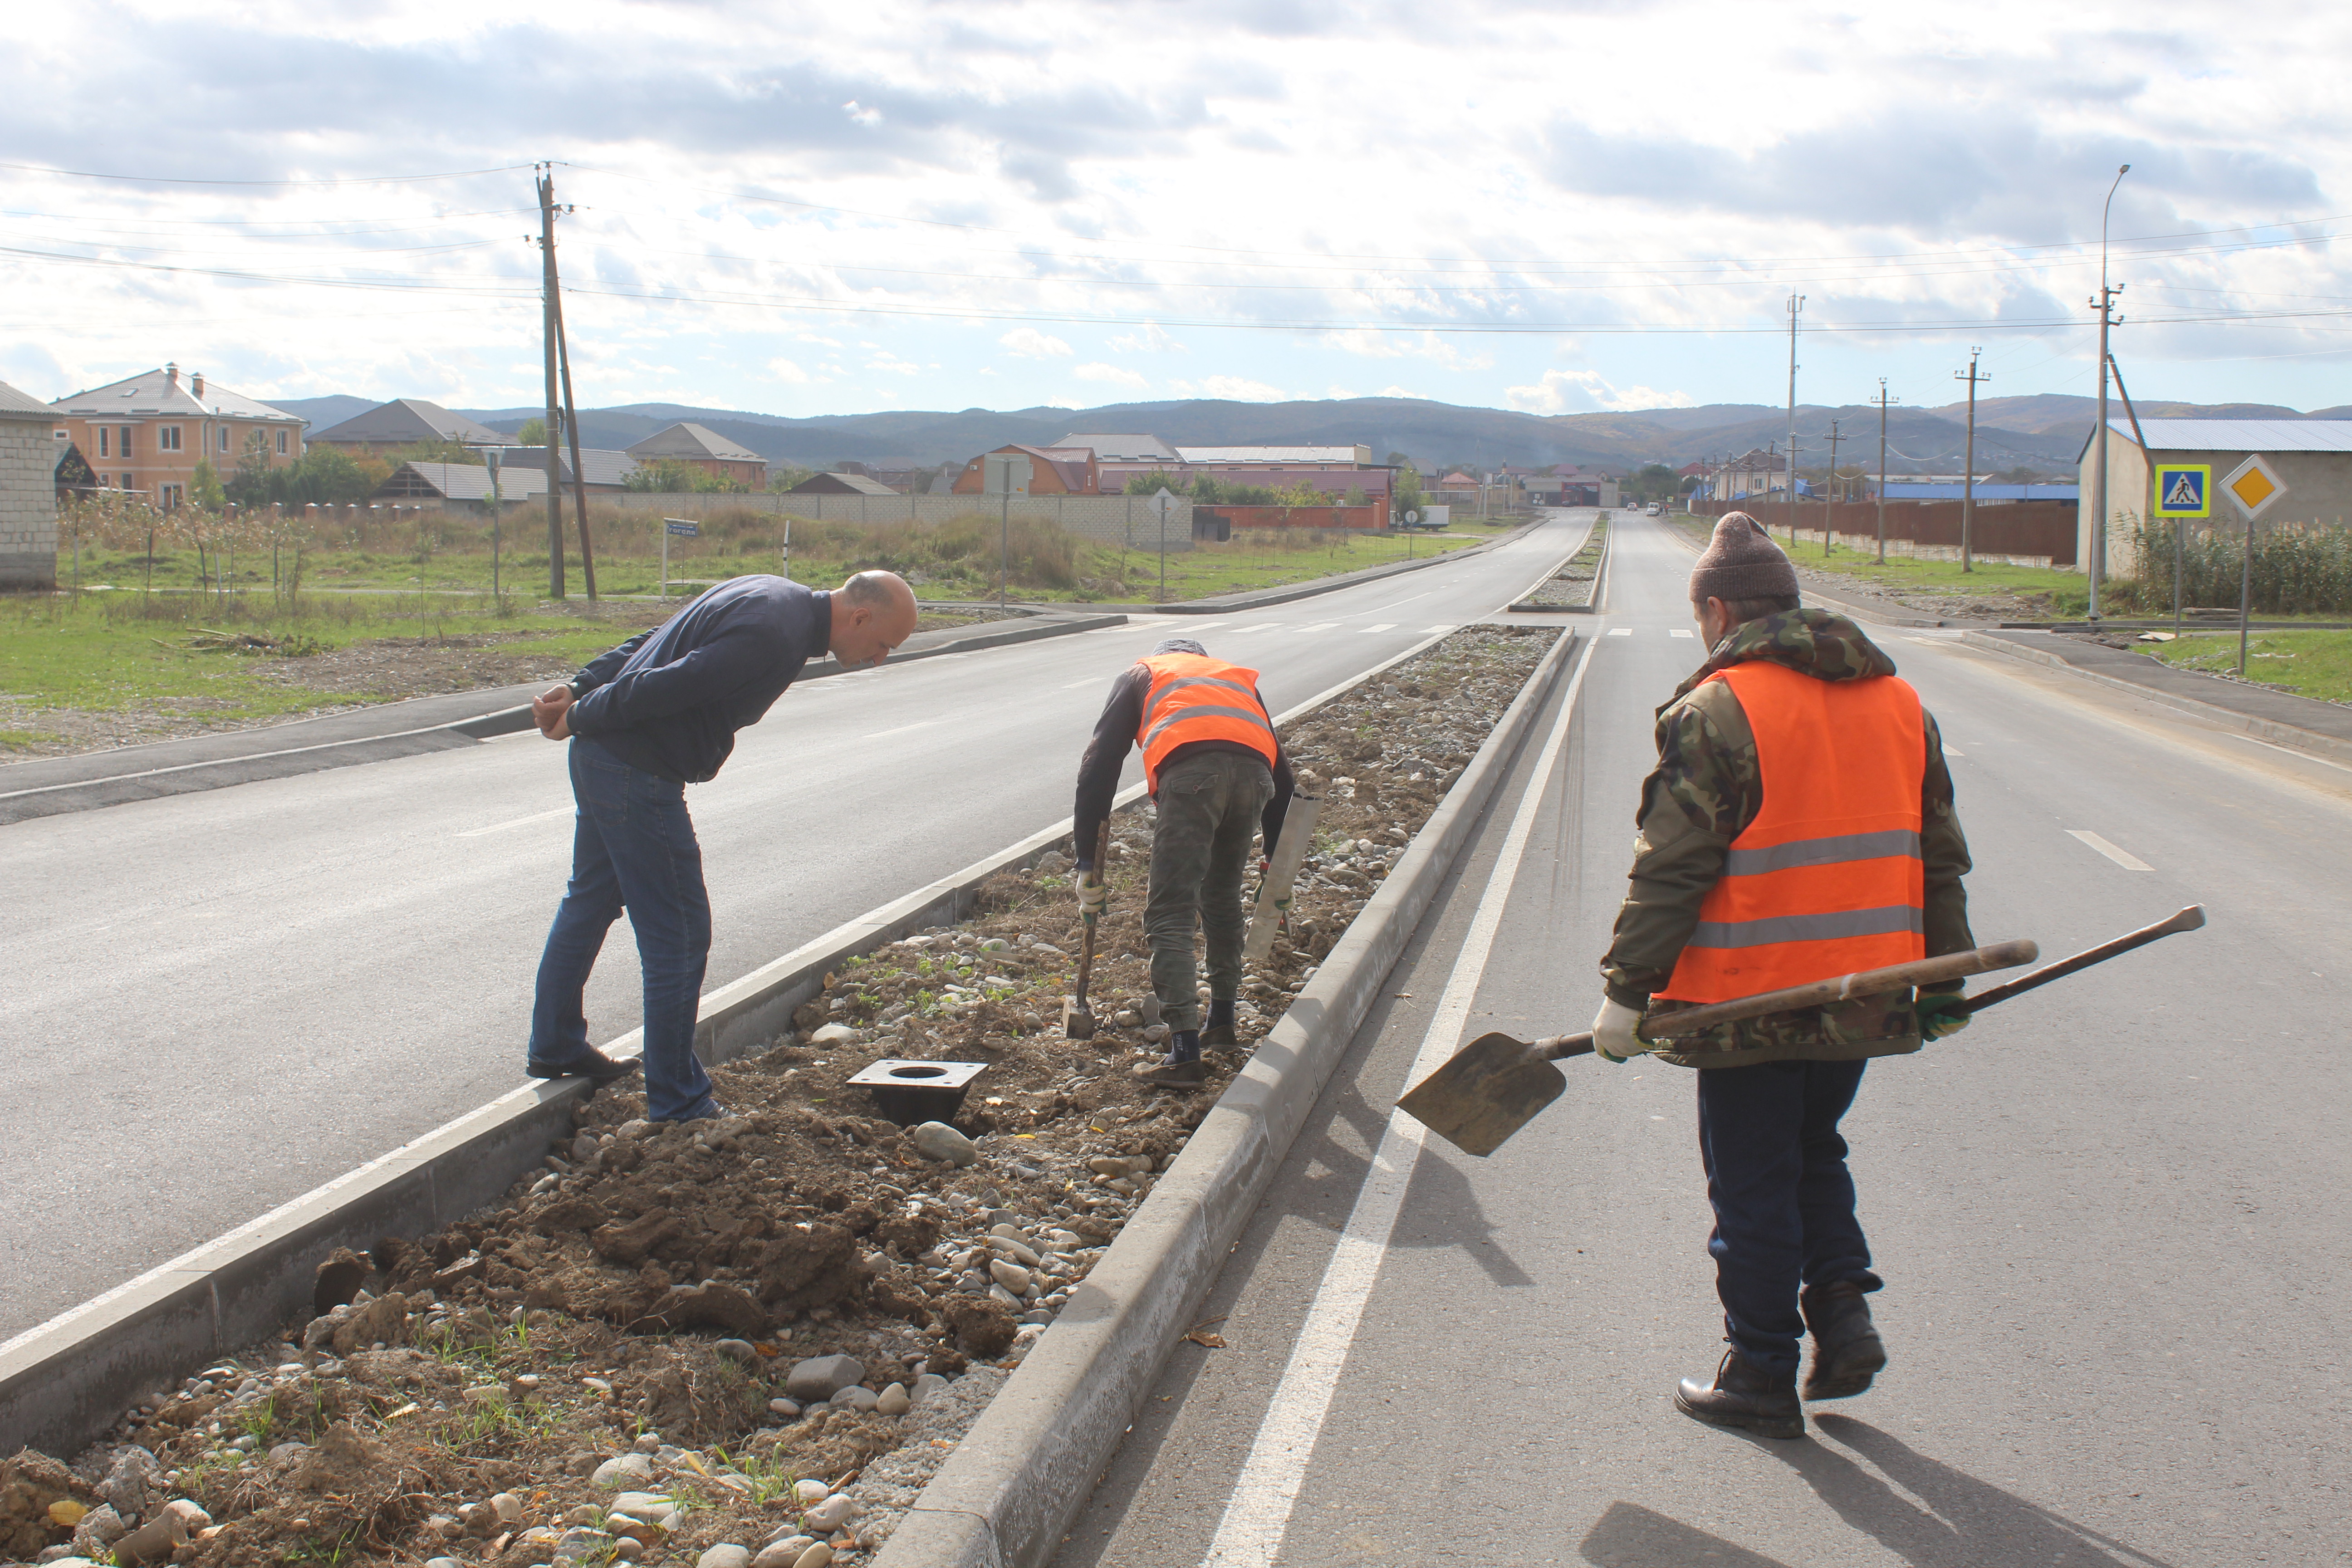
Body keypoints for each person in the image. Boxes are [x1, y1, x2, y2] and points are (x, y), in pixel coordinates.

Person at [1592, 513, 1975, 1440]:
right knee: (1812, 1152)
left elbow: (1675, 863)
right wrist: (1944, 982)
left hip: (1748, 998)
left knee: (1753, 1182)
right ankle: (1841, 1317)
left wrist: (1625, 992)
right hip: (1864, 995)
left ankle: (1760, 1368)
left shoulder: (1720, 707)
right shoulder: (1899, 704)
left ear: (1718, 610)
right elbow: (1939, 858)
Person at [524, 569, 920, 1122]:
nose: (878, 660)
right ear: (860, 617)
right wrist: (582, 710)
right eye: (882, 645)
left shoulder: (769, 592)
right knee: (680, 934)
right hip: (636, 770)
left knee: (589, 900)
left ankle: (557, 1044)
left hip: (606, 760)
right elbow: (670, 681)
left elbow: (656, 641)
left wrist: (584, 685)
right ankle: (677, 1099)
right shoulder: (774, 634)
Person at [1072, 637, 1295, 1087]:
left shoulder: (1143, 674)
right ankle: (1223, 1022)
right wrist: (1276, 859)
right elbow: (1284, 777)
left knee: (1171, 910)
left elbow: (1099, 766)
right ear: (1202, 659)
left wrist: (1085, 866)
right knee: (1222, 898)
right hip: (1256, 780)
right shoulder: (1235, 679)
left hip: (1193, 777)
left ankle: (1185, 1051)